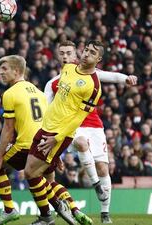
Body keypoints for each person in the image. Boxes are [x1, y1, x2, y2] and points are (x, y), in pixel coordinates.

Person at [45, 40, 137, 224]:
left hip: (94, 124)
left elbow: (109, 76)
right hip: (71, 125)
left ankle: (105, 213)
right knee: (80, 142)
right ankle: (95, 184)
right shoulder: (52, 84)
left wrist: (127, 77)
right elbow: (47, 113)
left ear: (75, 55)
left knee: (103, 167)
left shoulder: (87, 73)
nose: (65, 57)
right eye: (62, 53)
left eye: (69, 53)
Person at [0, 55, 78, 225]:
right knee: (40, 178)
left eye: (4, 69)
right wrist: (55, 153)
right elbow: (47, 123)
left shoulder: (9, 94)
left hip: (25, 145)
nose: (0, 72)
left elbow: (8, 129)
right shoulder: (39, 93)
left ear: (16, 71)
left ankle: (10, 210)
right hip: (43, 145)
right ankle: (56, 207)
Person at [23, 40, 105, 225]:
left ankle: (49, 215)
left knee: (30, 173)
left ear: (98, 59)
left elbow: (78, 118)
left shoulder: (93, 86)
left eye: (92, 53)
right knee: (45, 177)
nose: (86, 54)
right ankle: (68, 209)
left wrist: (58, 140)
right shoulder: (68, 68)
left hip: (57, 134)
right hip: (46, 127)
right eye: (86, 50)